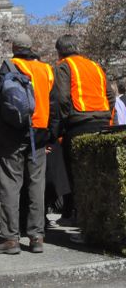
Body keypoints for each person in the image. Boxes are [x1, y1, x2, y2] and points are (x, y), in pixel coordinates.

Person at [0, 33, 58, 255]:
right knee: (36, 185)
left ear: (14, 48)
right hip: (38, 133)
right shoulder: (46, 70)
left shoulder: (9, 66)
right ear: (31, 48)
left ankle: (10, 239)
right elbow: (56, 103)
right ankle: (37, 237)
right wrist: (50, 134)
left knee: (10, 185)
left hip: (12, 135)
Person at [51, 35, 115, 228]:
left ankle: (81, 219)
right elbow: (110, 95)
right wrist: (105, 113)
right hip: (102, 122)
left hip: (78, 124)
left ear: (59, 51)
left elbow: (61, 98)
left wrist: (62, 122)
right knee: (100, 172)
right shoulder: (95, 65)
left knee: (77, 174)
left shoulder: (63, 66)